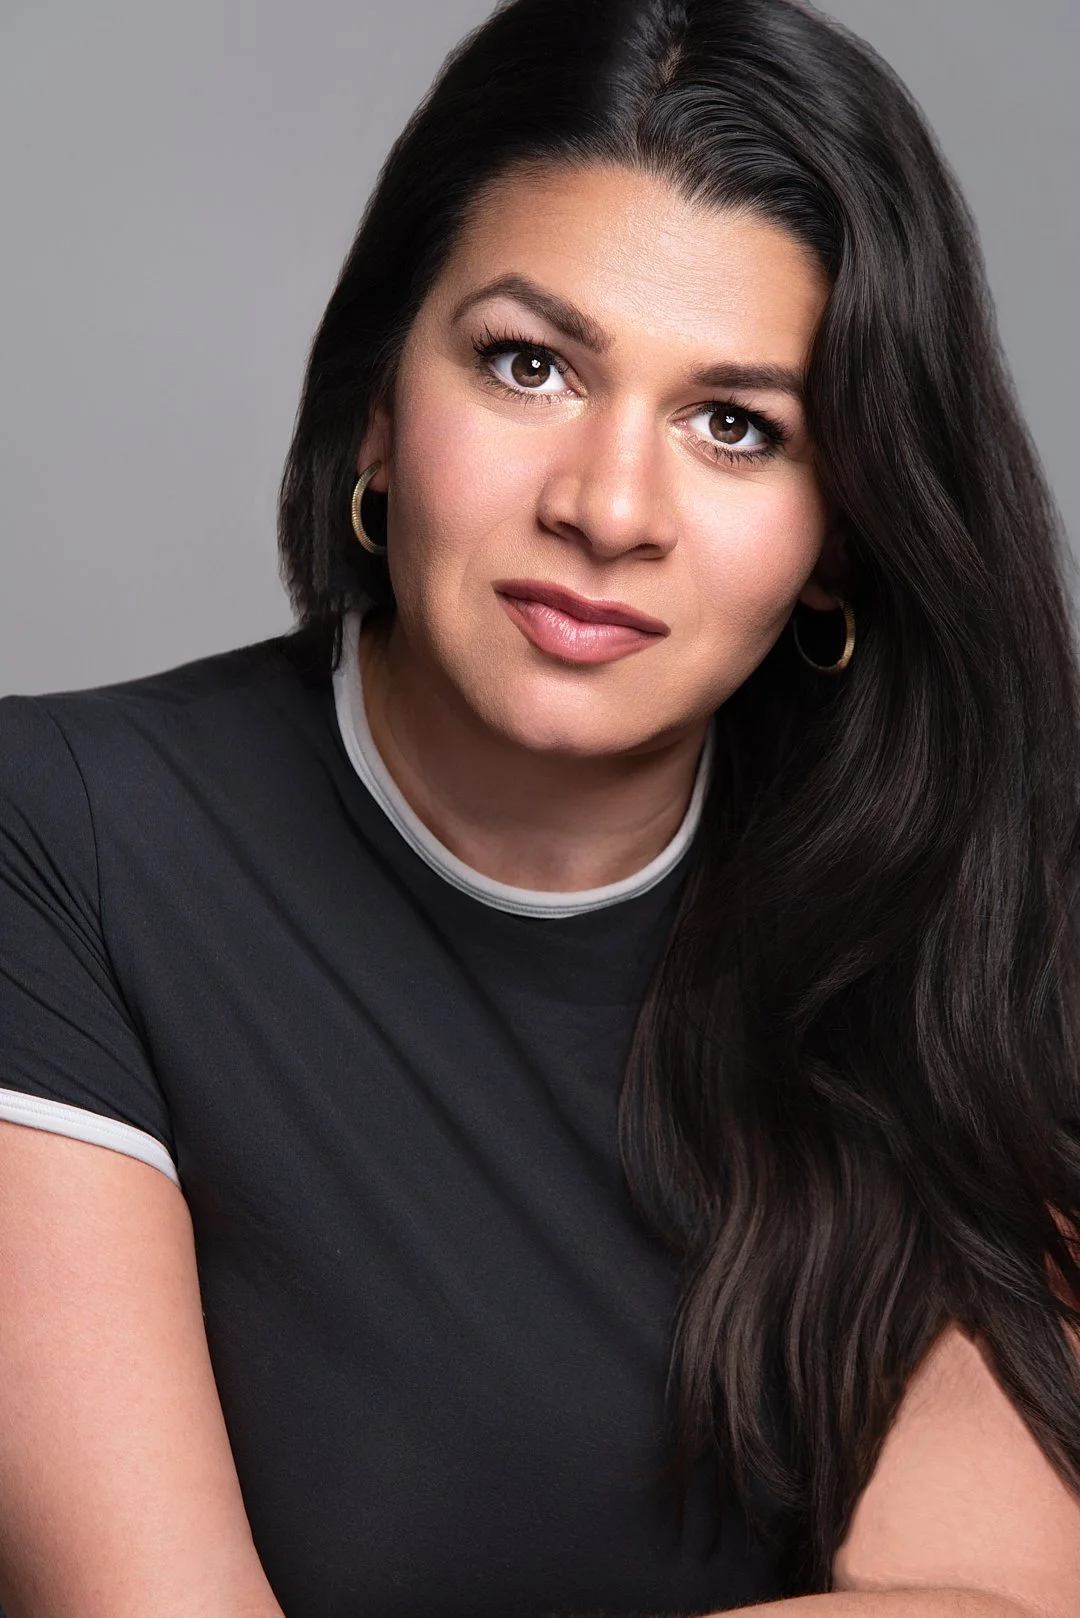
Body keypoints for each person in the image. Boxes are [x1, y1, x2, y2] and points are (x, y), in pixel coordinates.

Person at [2, 0, 1080, 1612]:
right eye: (531, 364)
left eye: (736, 425)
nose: (608, 508)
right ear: (378, 402)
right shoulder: (63, 839)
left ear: (841, 532)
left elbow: (983, 1597)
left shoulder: (955, 916)